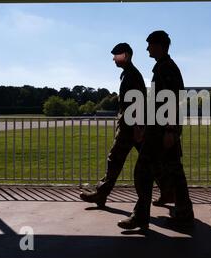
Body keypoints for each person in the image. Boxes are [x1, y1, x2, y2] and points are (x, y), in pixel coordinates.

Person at [117, 31, 194, 230]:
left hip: (162, 130)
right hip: (160, 129)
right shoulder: (164, 67)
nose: (147, 48)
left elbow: (173, 100)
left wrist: (169, 130)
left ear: (160, 46)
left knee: (143, 171)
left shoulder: (166, 68)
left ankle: (141, 217)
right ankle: (184, 213)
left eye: (150, 44)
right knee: (175, 172)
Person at [80, 43, 172, 207]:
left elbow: (137, 102)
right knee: (151, 161)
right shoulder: (129, 74)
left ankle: (101, 194)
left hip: (131, 127)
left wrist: (137, 126)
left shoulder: (131, 75)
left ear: (126, 56)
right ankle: (167, 191)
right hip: (132, 125)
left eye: (117, 55)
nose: (114, 59)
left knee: (114, 159)